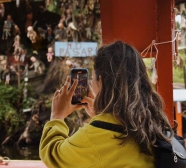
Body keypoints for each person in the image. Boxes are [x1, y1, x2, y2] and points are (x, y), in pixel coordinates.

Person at [39, 41, 174, 168]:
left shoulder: (96, 137)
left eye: (92, 78)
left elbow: (53, 154)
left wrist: (57, 116)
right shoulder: (151, 120)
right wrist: (100, 116)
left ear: (100, 81)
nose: (91, 84)